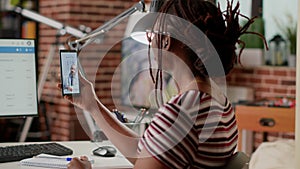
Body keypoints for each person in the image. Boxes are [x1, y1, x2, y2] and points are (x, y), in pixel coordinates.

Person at [60, 0, 266, 168]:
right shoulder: (215, 100)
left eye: (152, 35)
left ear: (166, 40)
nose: (149, 42)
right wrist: (93, 105)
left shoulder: (183, 110)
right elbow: (146, 153)